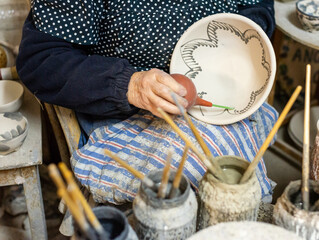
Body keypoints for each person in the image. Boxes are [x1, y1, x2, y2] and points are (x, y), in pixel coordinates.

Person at [17, 0, 277, 204]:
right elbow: (42, 59)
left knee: (235, 181)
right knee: (208, 183)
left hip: (216, 93)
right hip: (121, 105)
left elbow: (257, 5)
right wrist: (130, 85)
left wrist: (241, 40)